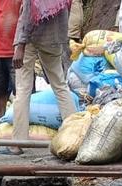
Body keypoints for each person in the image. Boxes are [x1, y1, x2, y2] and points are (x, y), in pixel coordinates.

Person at [4, 0, 74, 155]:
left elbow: (27, 16)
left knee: (23, 90)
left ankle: (17, 143)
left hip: (31, 40)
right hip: (55, 40)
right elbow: (66, 11)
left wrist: (20, 46)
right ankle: (74, 135)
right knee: (60, 86)